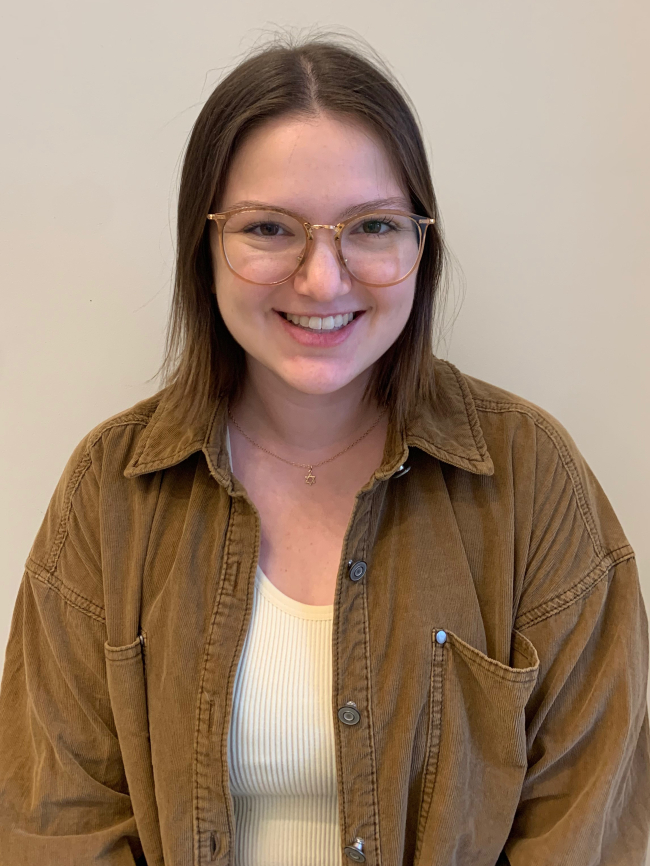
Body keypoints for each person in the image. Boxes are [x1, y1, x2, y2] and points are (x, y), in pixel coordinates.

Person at [0, 33, 648, 866]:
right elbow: (55, 820)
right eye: (269, 228)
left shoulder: (533, 479)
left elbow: (586, 824)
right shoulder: (110, 490)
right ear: (205, 247)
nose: (322, 280)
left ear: (421, 245)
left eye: (372, 226)